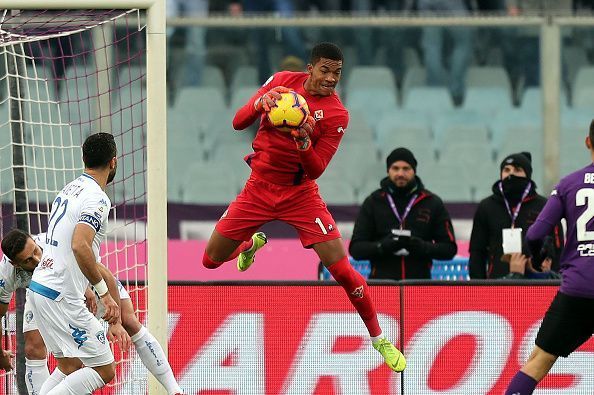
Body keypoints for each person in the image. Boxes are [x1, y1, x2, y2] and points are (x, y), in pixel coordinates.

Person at [201, 42, 406, 373]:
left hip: (300, 195)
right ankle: (249, 243)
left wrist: (304, 143)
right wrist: (259, 103)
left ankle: (379, 338)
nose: (330, 79)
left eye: (337, 73)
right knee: (210, 261)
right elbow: (239, 122)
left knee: (341, 270)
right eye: (325, 71)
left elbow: (316, 168)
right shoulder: (282, 82)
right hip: (258, 189)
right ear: (310, 68)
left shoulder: (337, 113)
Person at [0, 229, 185, 395]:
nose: (37, 260)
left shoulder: (54, 244)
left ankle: (174, 390)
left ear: (34, 240)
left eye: (36, 251)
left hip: (90, 281)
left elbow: (104, 275)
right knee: (43, 352)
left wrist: (116, 322)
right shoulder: (5, 275)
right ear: (15, 264)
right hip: (46, 296)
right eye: (28, 260)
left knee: (129, 320)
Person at [26, 132, 121, 394]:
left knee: (70, 364)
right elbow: (79, 245)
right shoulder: (97, 198)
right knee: (105, 369)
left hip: (40, 287)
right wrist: (104, 294)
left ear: (84, 159)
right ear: (113, 162)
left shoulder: (68, 189)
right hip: (60, 294)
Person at [504, 121, 594, 394]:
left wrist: (538, 256)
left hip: (578, 288)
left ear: (588, 142)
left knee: (538, 361)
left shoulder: (569, 184)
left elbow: (534, 234)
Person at [349, 147, 457, 280]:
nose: (400, 173)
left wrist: (422, 247)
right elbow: (356, 249)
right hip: (382, 287)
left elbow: (449, 249)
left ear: (414, 171)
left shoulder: (432, 202)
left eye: (406, 168)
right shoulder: (373, 202)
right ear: (388, 170)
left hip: (419, 286)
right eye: (395, 168)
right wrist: (382, 247)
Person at [469, 152, 564, 279]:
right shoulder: (486, 207)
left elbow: (559, 249)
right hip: (496, 285)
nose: (511, 174)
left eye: (517, 170)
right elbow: (477, 252)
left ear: (528, 175)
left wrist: (554, 280)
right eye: (506, 170)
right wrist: (478, 288)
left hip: (538, 285)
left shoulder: (545, 206)